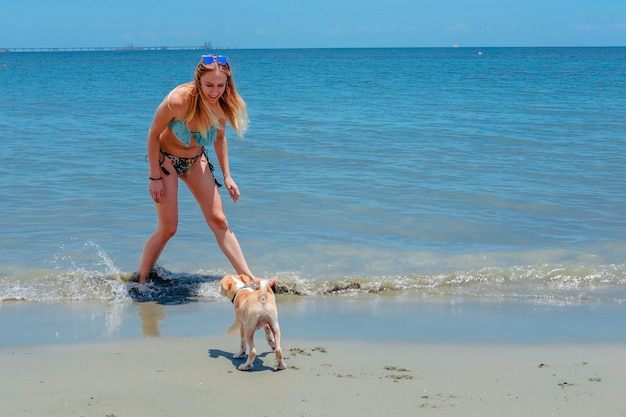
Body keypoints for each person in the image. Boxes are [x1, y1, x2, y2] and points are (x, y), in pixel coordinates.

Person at [137, 54, 259, 284]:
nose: (214, 92)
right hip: (166, 161)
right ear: (198, 81)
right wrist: (154, 176)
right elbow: (153, 136)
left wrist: (227, 176)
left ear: (228, 84)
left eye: (221, 86)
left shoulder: (223, 105)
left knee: (219, 220)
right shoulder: (177, 101)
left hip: (195, 160)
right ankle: (141, 281)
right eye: (209, 85)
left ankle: (249, 278)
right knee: (168, 227)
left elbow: (220, 139)